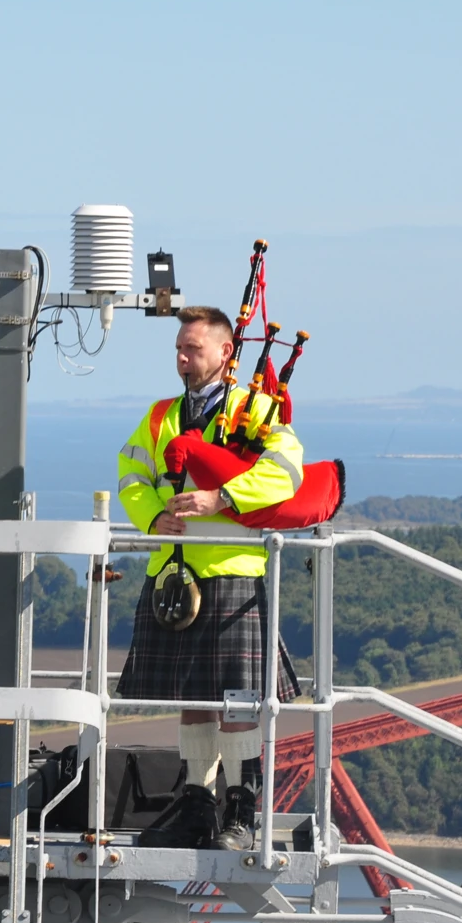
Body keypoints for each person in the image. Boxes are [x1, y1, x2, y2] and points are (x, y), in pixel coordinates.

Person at [114, 305, 304, 850]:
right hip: (174, 573)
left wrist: (220, 497)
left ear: (225, 353)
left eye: (192, 349)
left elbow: (285, 474)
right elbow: (131, 474)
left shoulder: (259, 409)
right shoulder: (158, 416)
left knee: (238, 700)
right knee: (192, 698)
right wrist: (154, 515)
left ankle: (241, 808)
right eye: (178, 348)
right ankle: (197, 803)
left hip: (233, 574)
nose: (181, 358)